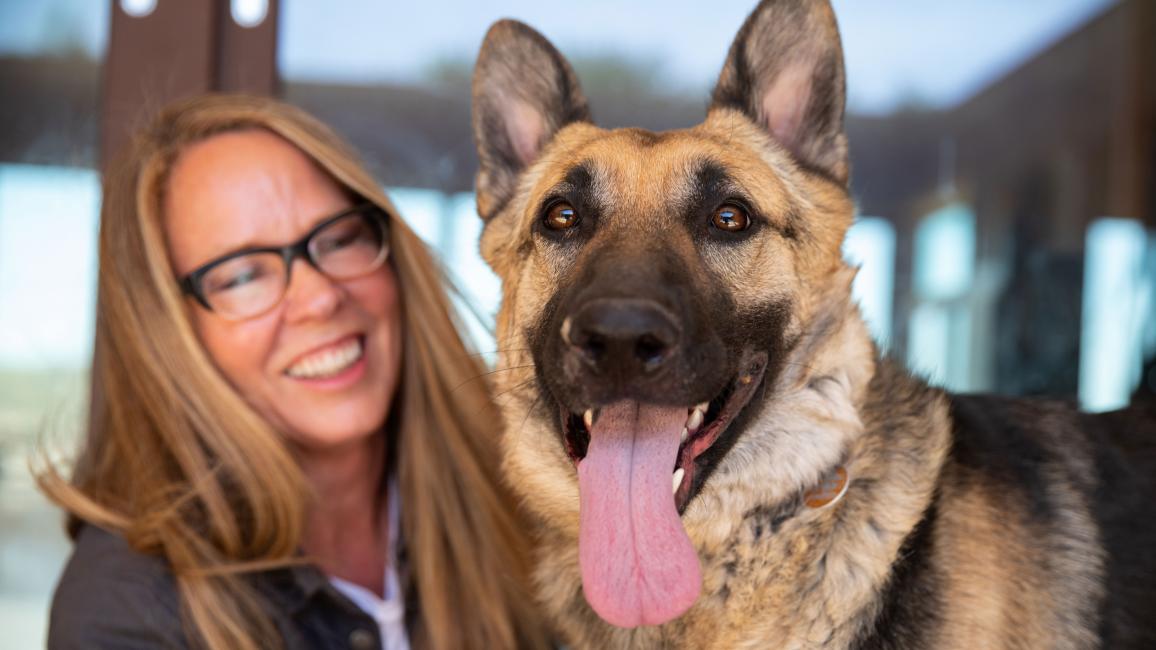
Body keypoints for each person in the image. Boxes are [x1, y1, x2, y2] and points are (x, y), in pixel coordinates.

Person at [39, 94, 548, 649]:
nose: (320, 297)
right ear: (169, 337)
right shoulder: (125, 610)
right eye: (243, 276)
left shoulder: (521, 496)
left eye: (339, 240)